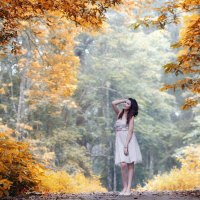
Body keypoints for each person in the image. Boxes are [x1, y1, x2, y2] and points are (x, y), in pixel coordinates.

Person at [112, 98, 142, 196]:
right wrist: (124, 99)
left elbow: (130, 131)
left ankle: (129, 188)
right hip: (119, 141)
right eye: (125, 102)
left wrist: (126, 146)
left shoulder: (131, 117)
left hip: (128, 141)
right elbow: (113, 103)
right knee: (123, 164)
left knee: (130, 164)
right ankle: (124, 187)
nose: (125, 104)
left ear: (131, 106)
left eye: (128, 103)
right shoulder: (119, 113)